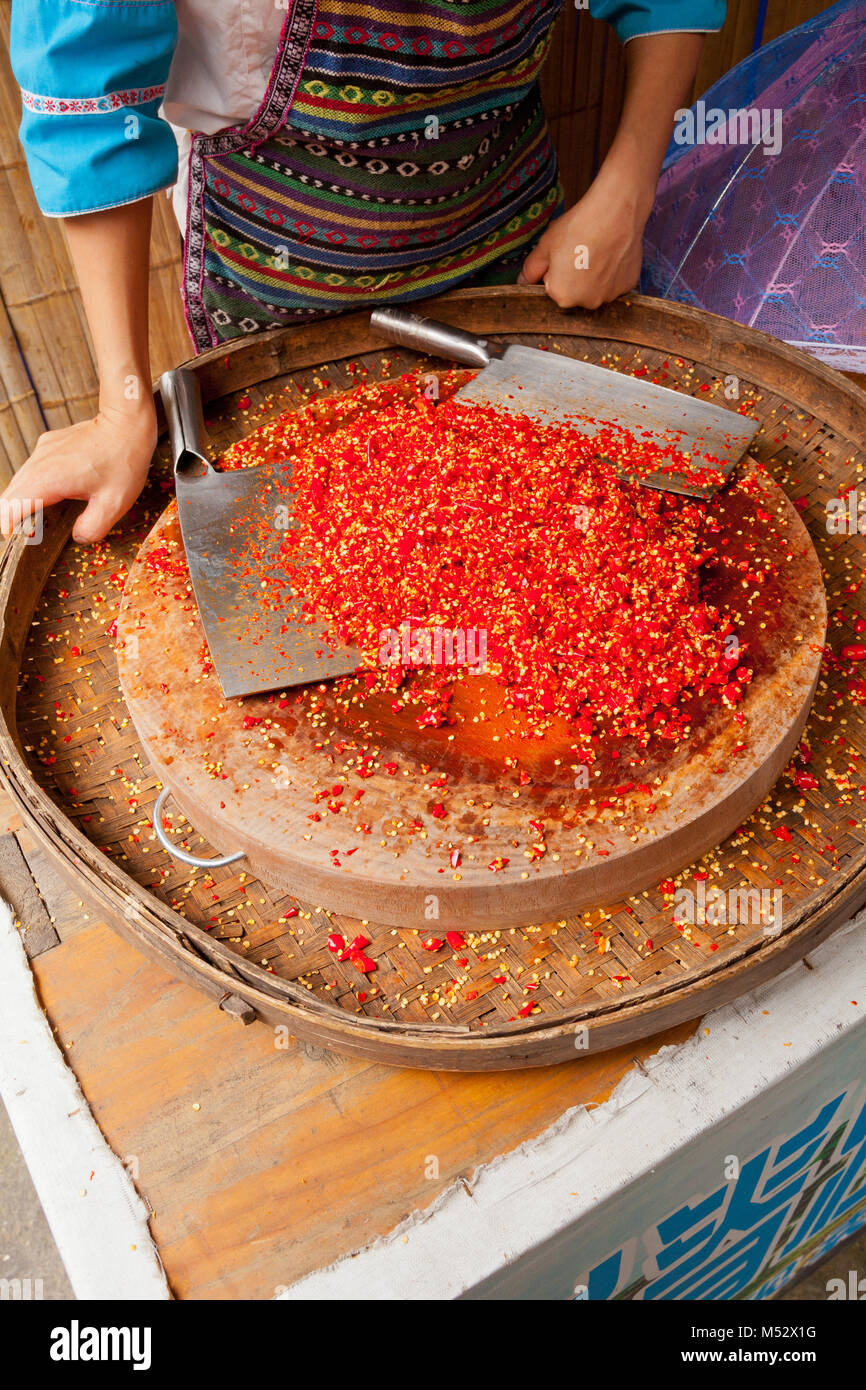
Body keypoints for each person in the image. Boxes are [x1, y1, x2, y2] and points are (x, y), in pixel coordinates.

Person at [3, 0, 724, 543]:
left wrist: (628, 192)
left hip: (506, 225)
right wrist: (121, 404)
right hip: (280, 259)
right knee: (311, 546)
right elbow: (93, 92)